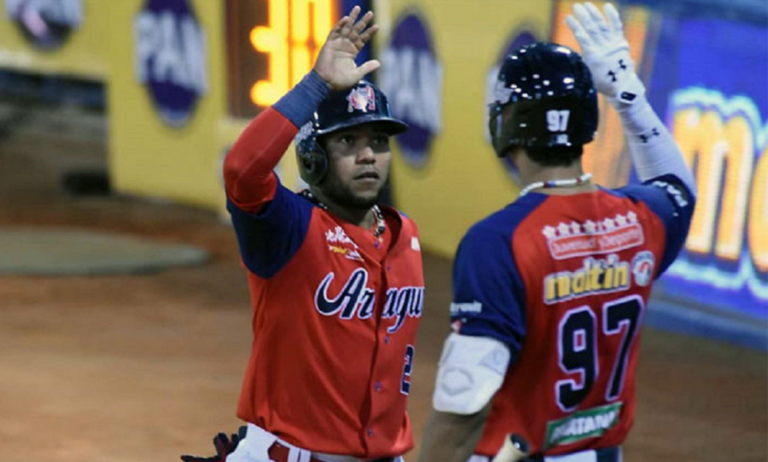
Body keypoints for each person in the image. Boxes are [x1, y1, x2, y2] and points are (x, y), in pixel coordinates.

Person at [418, 3, 696, 462]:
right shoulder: (642, 218)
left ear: (505, 125)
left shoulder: (499, 241)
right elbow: (678, 187)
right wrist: (628, 92)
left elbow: (462, 404)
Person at [181, 7, 424, 462]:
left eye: (378, 141)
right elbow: (241, 171)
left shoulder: (403, 234)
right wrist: (315, 86)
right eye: (347, 143)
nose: (368, 155)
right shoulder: (287, 228)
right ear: (312, 158)